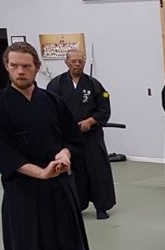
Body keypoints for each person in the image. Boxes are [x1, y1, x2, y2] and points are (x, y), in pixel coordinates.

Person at [0, 43, 94, 250]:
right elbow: (4, 153)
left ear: (37, 67)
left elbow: (72, 138)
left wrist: (65, 154)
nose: (21, 71)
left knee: (69, 244)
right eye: (15, 66)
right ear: (7, 67)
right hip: (22, 189)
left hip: (58, 186)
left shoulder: (53, 101)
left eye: (26, 65)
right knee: (25, 245)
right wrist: (40, 172)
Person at [47, 48, 116, 219]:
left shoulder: (94, 84)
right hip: (68, 137)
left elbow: (104, 107)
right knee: (72, 172)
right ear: (66, 62)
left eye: (81, 61)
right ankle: (75, 205)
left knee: (97, 170)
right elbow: (49, 109)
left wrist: (90, 121)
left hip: (91, 136)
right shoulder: (55, 84)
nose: (77, 64)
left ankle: (102, 207)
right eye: (74, 61)